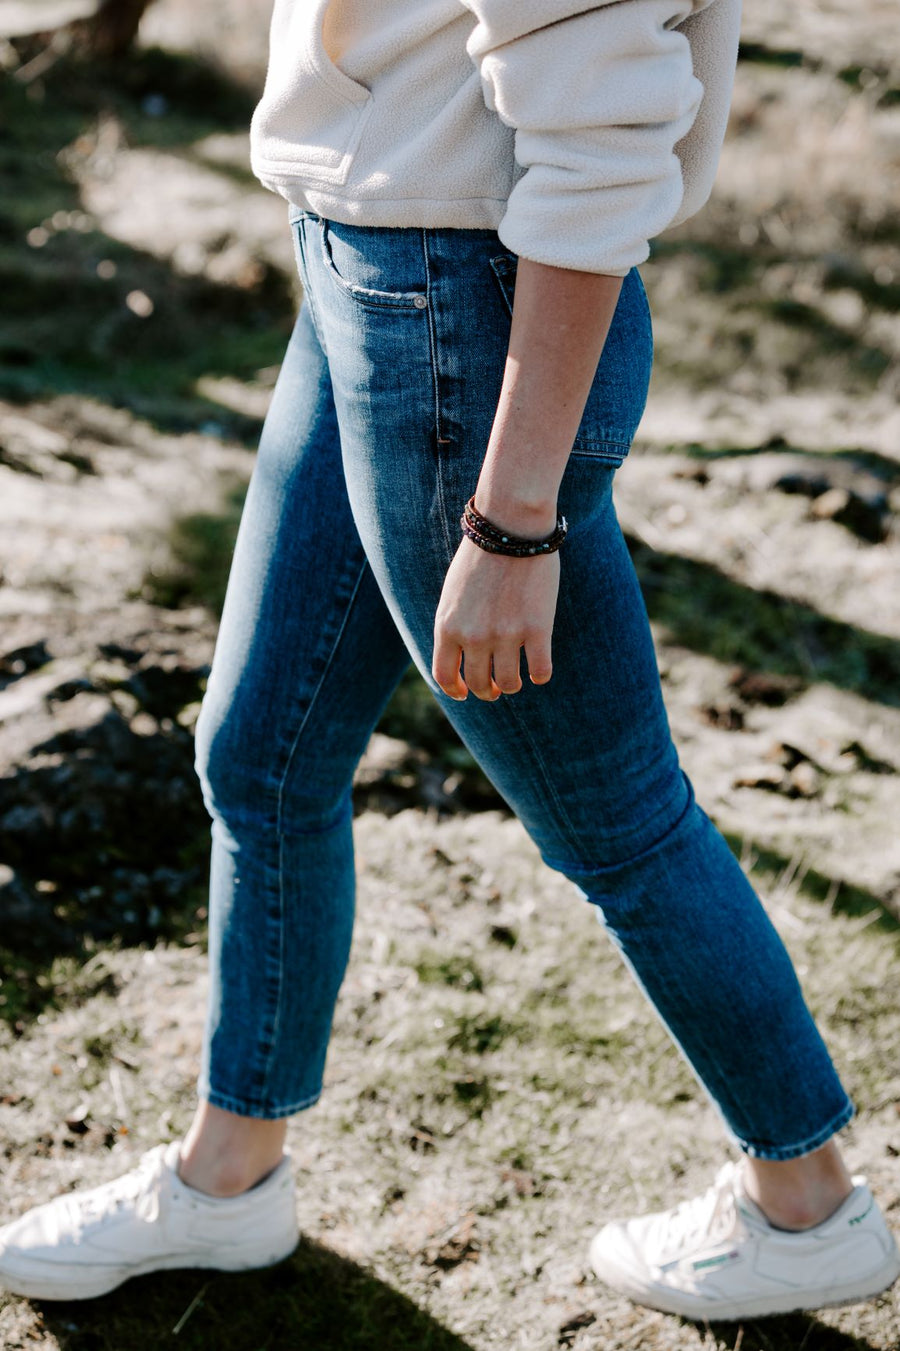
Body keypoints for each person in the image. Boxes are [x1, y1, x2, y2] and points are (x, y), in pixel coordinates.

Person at [1, 0, 898, 1322]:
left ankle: (806, 1203)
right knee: (263, 754)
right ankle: (229, 1176)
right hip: (370, 283)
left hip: (460, 326)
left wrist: (511, 520)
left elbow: (598, 137)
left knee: (616, 816)